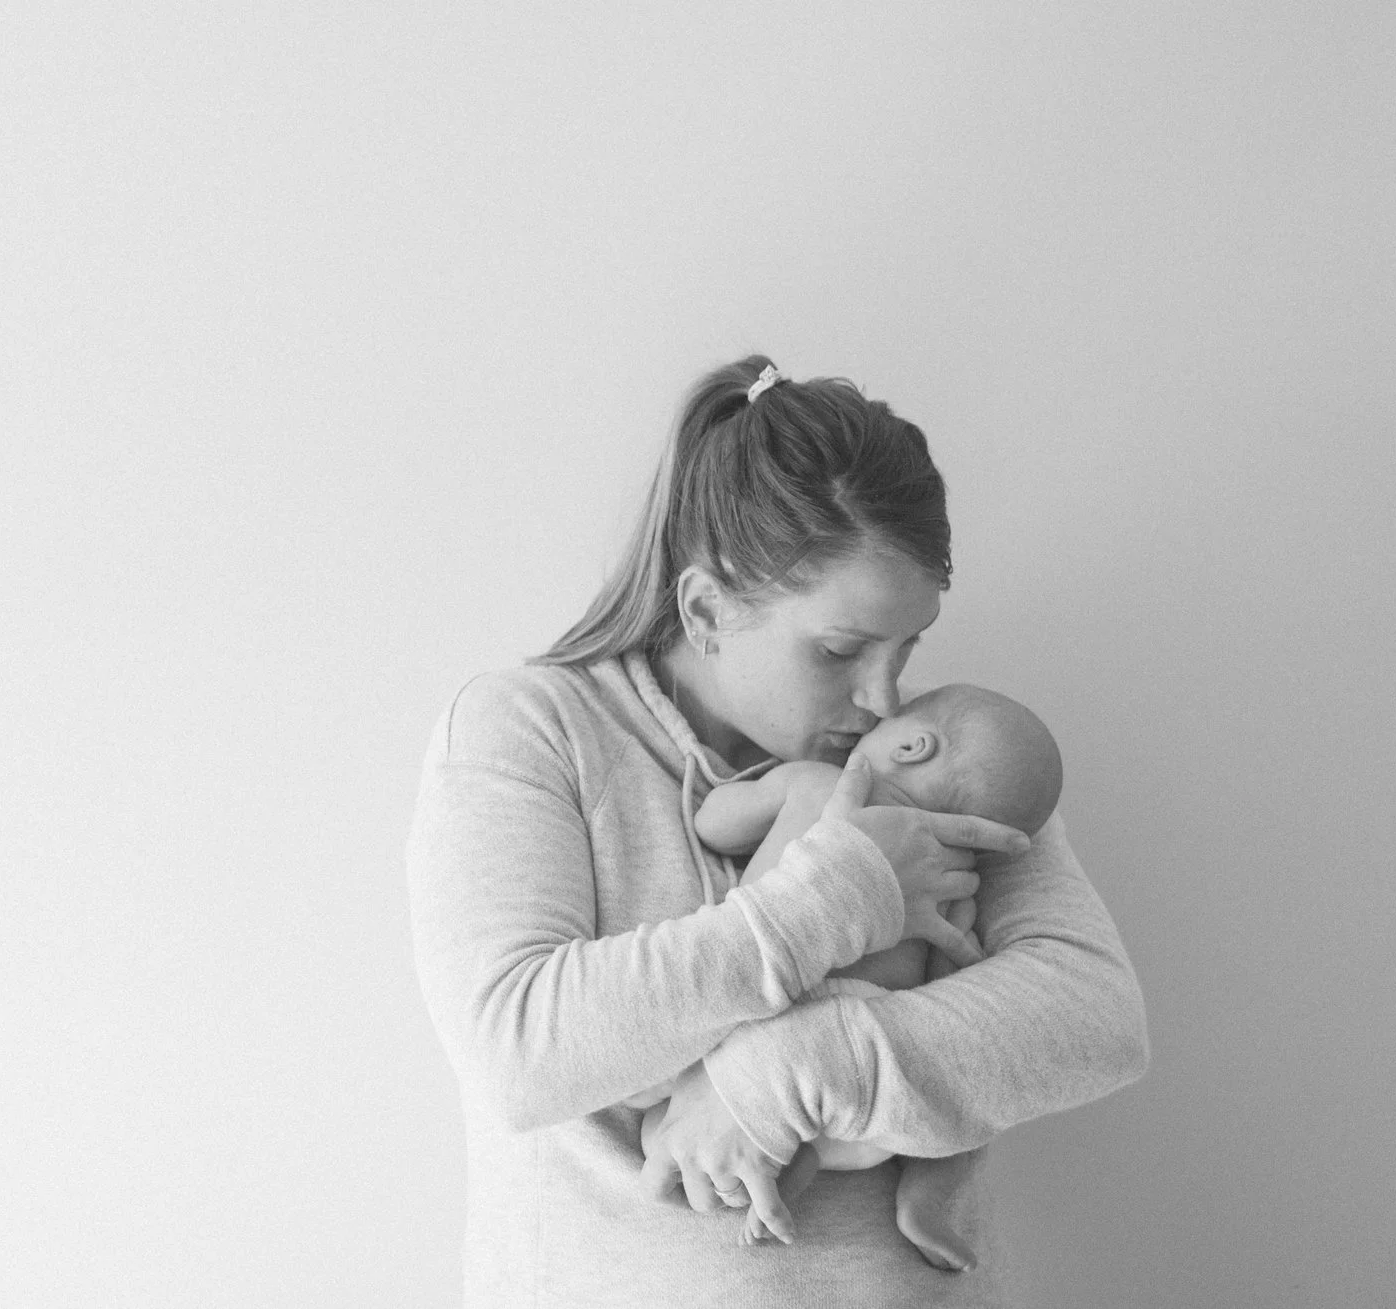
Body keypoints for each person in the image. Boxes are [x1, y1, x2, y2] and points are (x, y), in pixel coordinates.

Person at [406, 358, 1149, 1306]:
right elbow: (518, 1049)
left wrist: (785, 1073)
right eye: (841, 651)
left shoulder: (936, 755)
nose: (884, 693)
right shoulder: (530, 730)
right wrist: (840, 897)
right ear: (707, 608)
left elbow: (1093, 1016)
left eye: (907, 646)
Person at [660, 682, 1068, 1264]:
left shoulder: (817, 784)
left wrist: (730, 796)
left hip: (775, 1002)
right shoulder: (951, 878)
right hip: (866, 1031)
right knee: (964, 1118)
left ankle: (769, 1185)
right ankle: (924, 1200)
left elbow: (713, 826)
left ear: (913, 745)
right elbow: (957, 973)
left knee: (670, 1107)